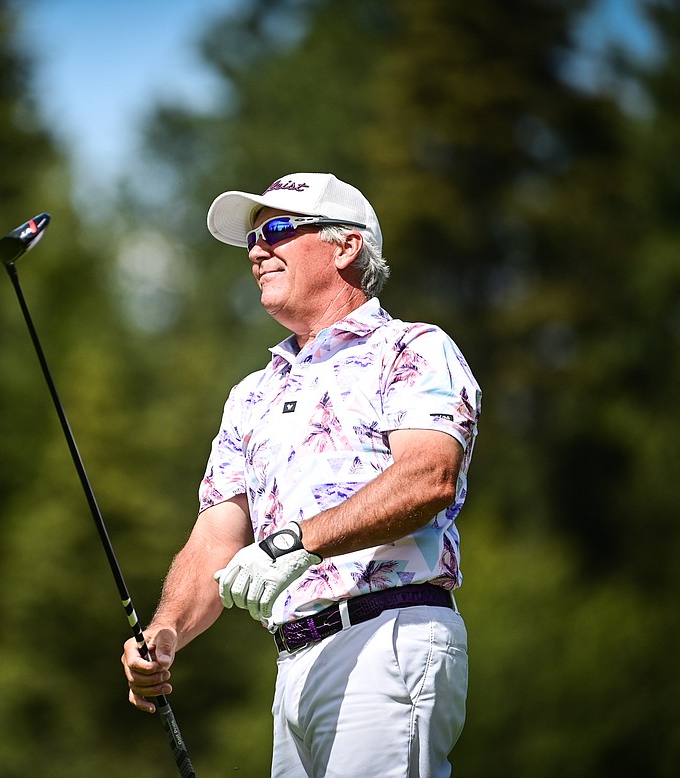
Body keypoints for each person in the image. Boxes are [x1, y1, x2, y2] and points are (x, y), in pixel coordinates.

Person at [121, 172, 481, 777]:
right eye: (254, 237)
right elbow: (216, 538)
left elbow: (428, 477)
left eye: (279, 229)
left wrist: (297, 543)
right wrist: (165, 634)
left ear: (347, 246)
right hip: (294, 663)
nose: (258, 249)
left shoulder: (414, 348)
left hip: (387, 638)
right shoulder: (250, 394)